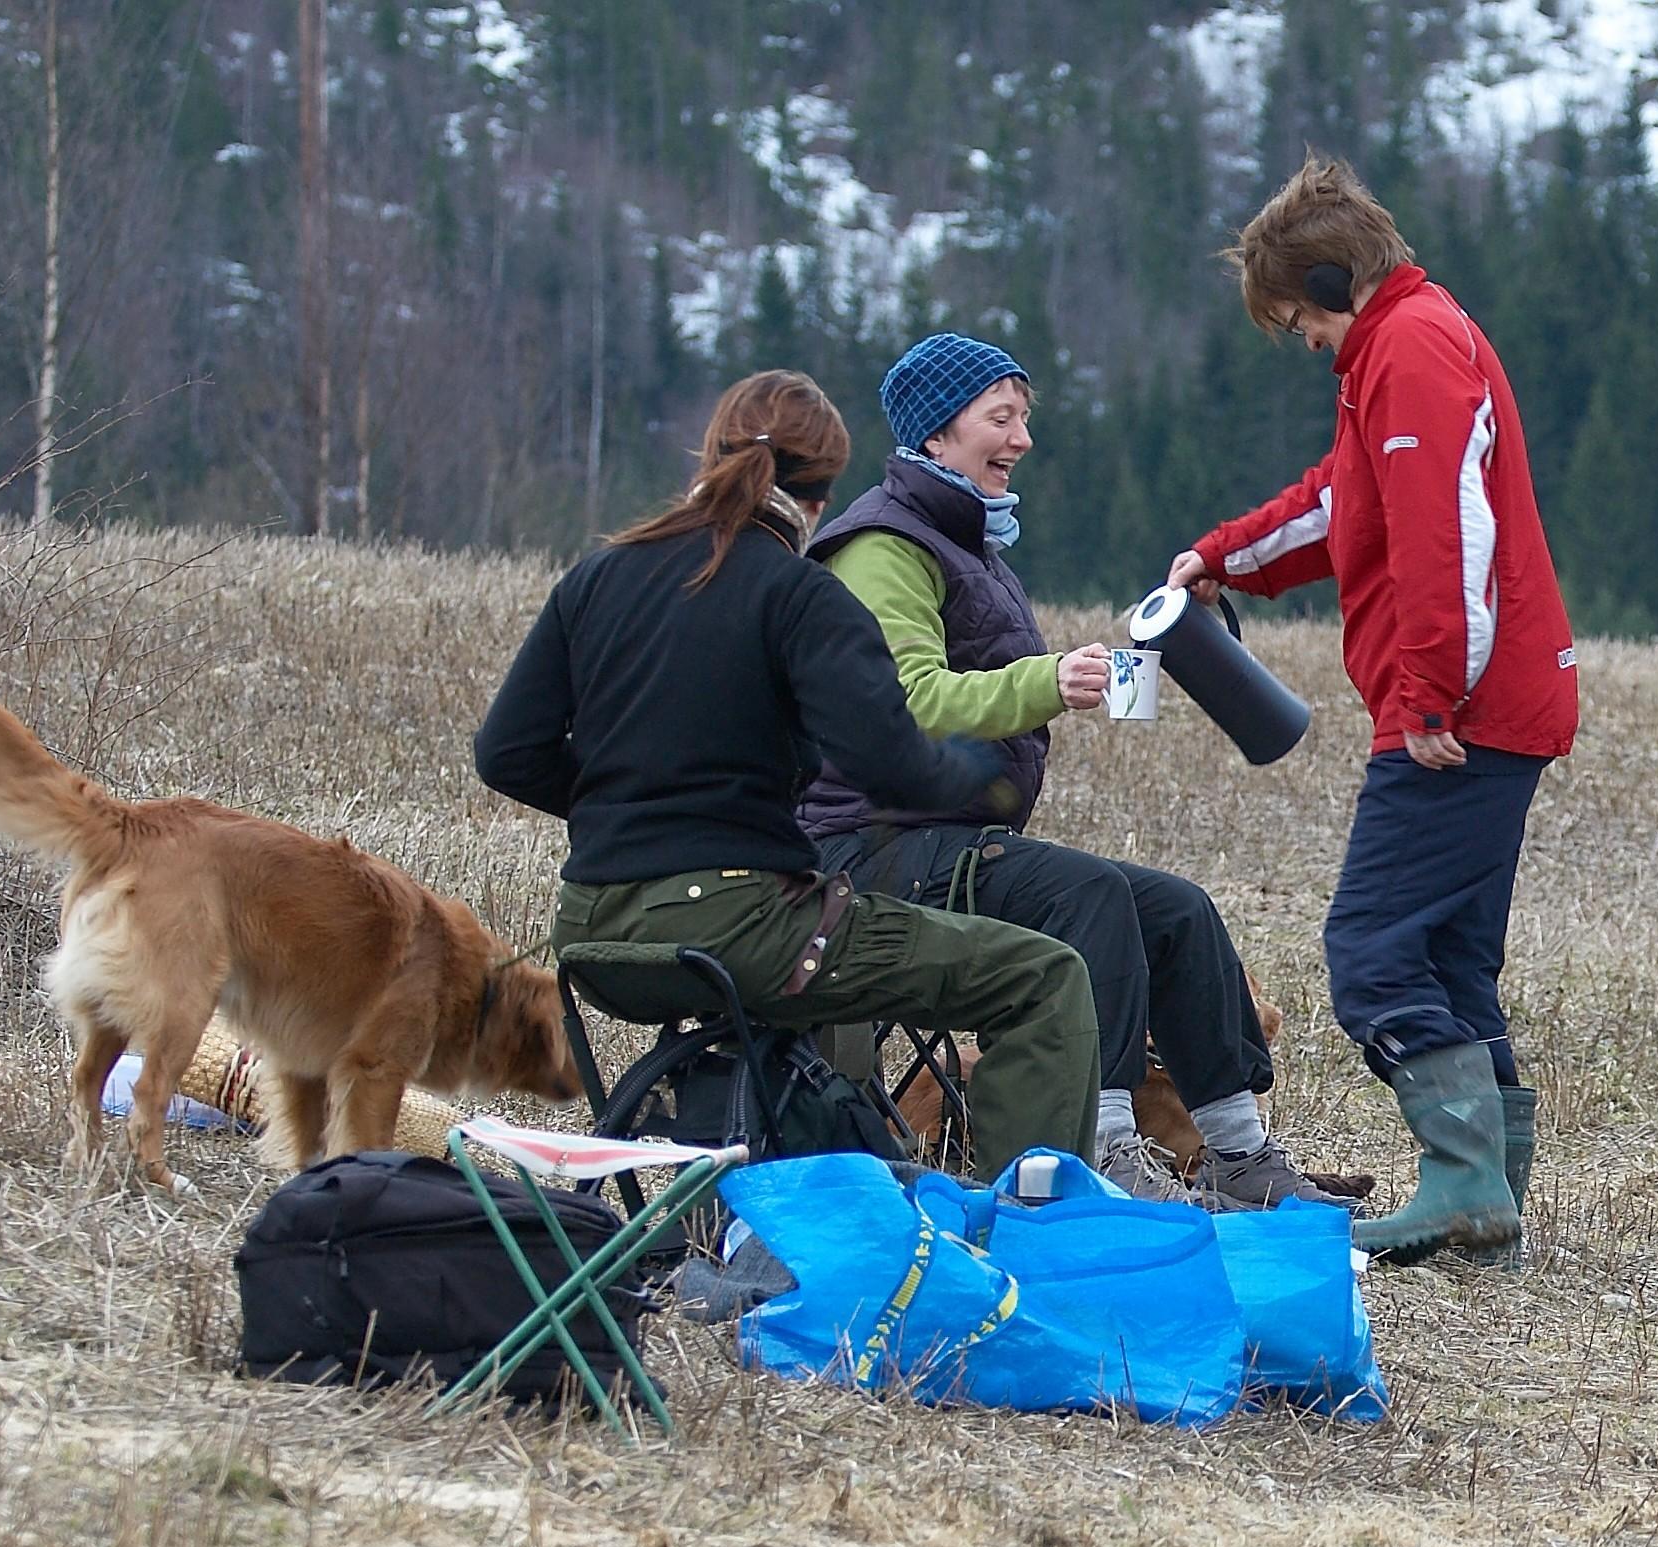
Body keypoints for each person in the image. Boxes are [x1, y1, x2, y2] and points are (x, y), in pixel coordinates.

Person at [473, 370, 1101, 1169]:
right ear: (821, 494)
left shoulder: (599, 576)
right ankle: (1025, 1236)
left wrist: (623, 812)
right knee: (1043, 976)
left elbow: (506, 754)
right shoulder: (802, 593)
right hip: (742, 931)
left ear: (712, 455)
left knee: (830, 966)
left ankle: (831, 1176)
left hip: (595, 936)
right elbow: (891, 764)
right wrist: (986, 783)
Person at [800, 331, 1341, 1209]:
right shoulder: (881, 548)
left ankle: (1240, 1155)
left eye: (1024, 419)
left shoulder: (969, 545)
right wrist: (1046, 681)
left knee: (1176, 908)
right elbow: (905, 702)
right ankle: (1108, 1146)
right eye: (1000, 418)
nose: (1021, 440)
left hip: (949, 840)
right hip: (869, 851)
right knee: (1087, 895)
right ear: (935, 436)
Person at [1161, 153, 1579, 1266]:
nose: (1300, 340)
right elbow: (1345, 503)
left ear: (1336, 286)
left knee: (1373, 951)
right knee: (1444, 958)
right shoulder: (1401, 348)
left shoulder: (1410, 349)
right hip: (1490, 698)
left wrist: (1430, 691)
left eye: (1297, 315)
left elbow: (1450, 535)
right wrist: (1219, 559)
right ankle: (1488, 1211)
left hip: (1457, 711)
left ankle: (1465, 1191)